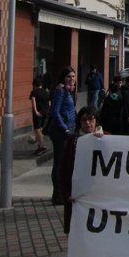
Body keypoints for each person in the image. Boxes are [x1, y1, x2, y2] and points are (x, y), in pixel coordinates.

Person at [59, 106, 105, 257]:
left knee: (97, 235)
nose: (88, 123)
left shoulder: (103, 138)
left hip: (96, 197)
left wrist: (102, 136)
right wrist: (66, 194)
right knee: (78, 236)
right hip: (76, 199)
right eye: (84, 120)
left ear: (96, 122)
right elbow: (63, 170)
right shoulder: (73, 142)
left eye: (91, 119)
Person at [49, 66, 77, 205]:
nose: (71, 79)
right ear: (63, 78)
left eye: (73, 76)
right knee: (59, 163)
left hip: (69, 130)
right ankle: (57, 195)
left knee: (65, 162)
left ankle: (60, 193)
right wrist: (65, 128)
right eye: (68, 76)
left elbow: (71, 110)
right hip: (60, 132)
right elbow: (55, 112)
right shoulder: (60, 91)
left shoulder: (68, 91)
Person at [29, 77, 50, 155]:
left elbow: (33, 101)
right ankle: (39, 145)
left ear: (34, 85)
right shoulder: (46, 92)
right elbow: (49, 103)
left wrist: (36, 111)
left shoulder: (34, 92)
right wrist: (48, 112)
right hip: (45, 113)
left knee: (37, 129)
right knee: (40, 129)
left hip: (38, 114)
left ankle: (41, 146)